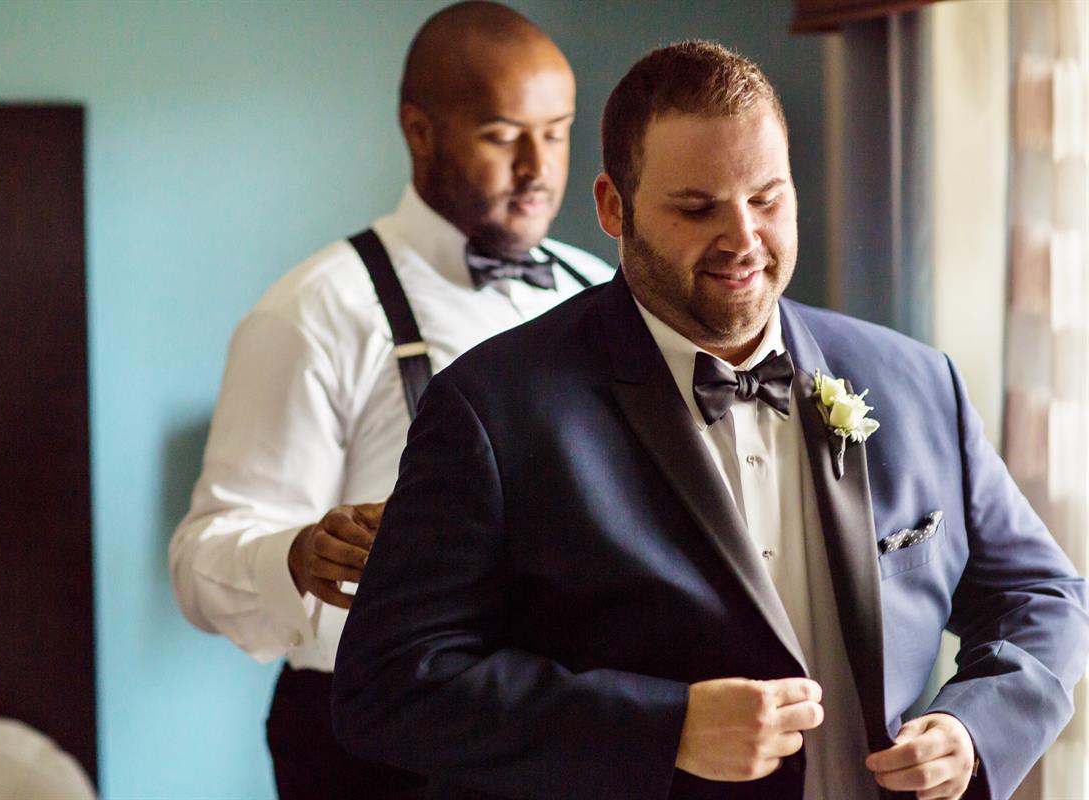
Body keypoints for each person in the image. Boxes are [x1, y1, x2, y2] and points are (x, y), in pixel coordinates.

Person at [331, 40, 1089, 800]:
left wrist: (972, 729)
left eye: (767, 199)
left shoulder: (918, 382)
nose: (743, 240)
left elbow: (1044, 597)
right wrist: (666, 730)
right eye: (697, 208)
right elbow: (389, 685)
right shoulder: (489, 410)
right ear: (613, 207)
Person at [168, 3, 612, 798]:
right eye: (502, 135)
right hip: (373, 745)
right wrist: (297, 555)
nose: (538, 167)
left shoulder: (601, 293)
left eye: (556, 132)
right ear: (420, 131)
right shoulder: (315, 311)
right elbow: (201, 557)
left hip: (558, 726)